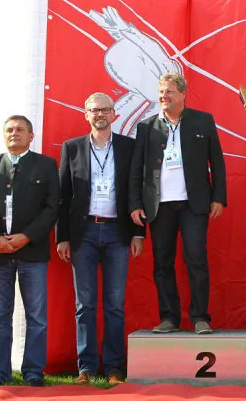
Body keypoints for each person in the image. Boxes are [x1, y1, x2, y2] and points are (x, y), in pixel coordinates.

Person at [57, 93, 145, 384]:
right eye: (94, 110)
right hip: (83, 233)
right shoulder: (72, 148)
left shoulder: (129, 147)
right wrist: (62, 237)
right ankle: (86, 367)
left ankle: (114, 368)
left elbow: (137, 191)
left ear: (114, 114)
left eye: (105, 110)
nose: (99, 114)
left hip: (118, 232)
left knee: (115, 304)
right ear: (86, 114)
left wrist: (138, 232)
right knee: (85, 304)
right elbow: (63, 196)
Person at [129, 73, 226, 335]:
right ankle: (169, 317)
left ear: (183, 94)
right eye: (161, 92)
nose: (164, 96)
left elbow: (217, 161)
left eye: (170, 91)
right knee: (162, 262)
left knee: (196, 258)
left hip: (194, 203)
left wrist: (218, 197)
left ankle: (200, 317)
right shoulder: (147, 126)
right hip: (159, 205)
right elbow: (137, 169)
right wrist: (135, 203)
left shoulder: (202, 121)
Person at [0, 115, 59, 387]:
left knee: (37, 317)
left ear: (31, 136)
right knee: (0, 317)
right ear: (3, 134)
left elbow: (52, 207)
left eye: (20, 129)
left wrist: (27, 236)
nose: (14, 133)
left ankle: (33, 372)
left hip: (32, 251)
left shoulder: (46, 165)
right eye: (9, 129)